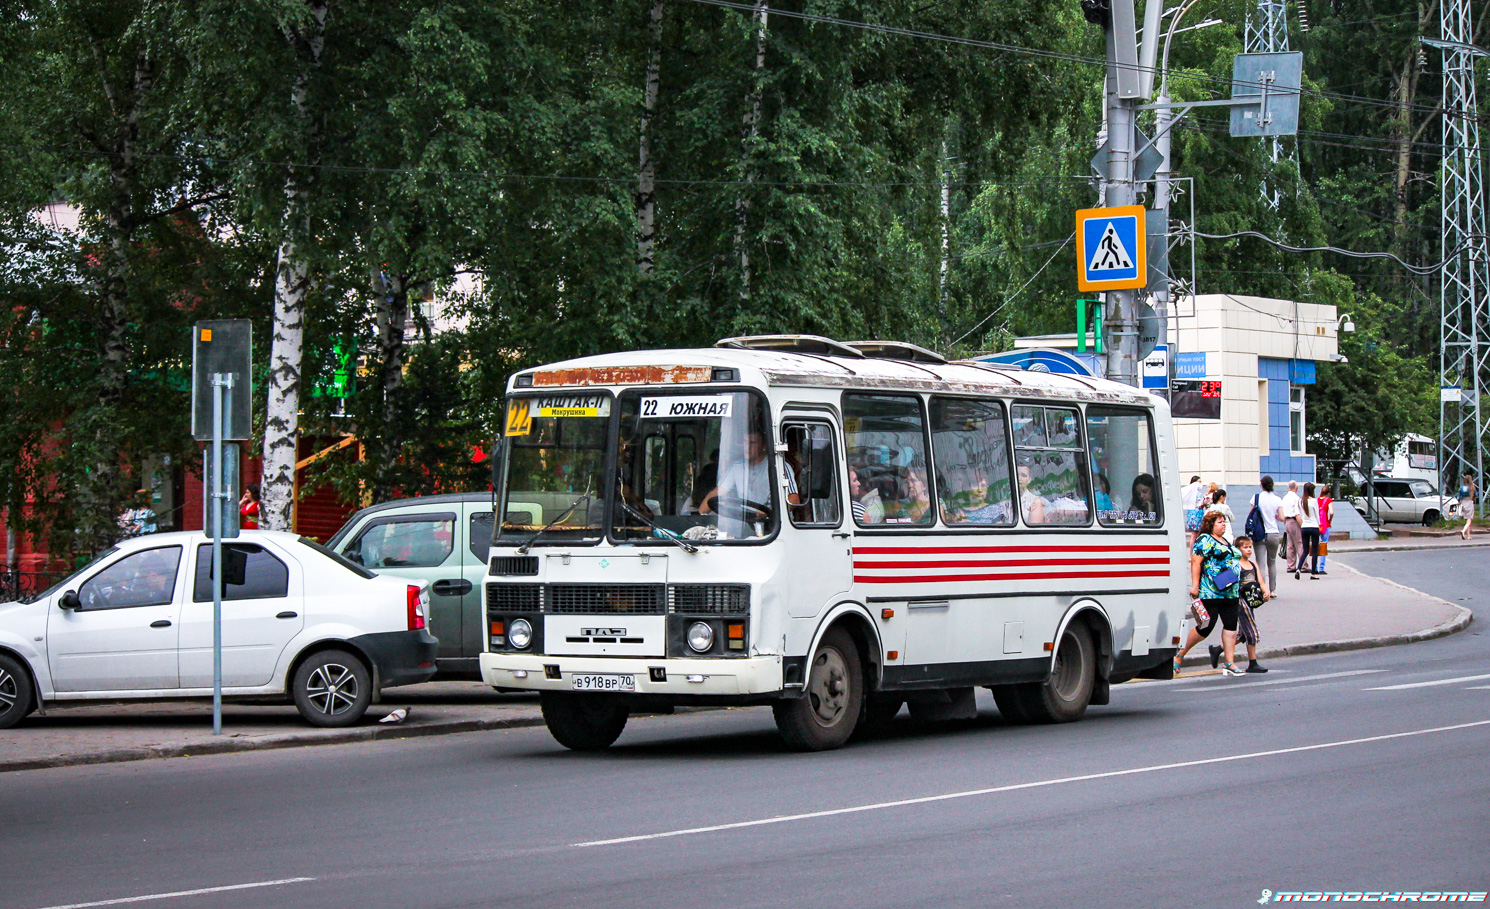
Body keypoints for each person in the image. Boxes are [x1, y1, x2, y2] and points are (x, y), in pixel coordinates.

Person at [1176, 510, 1244, 677]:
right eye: (1220, 522)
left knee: (1230, 627)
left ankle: (1229, 662)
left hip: (1230, 591)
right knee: (1204, 627)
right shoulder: (1204, 540)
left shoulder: (1225, 540)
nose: (1223, 524)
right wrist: (1195, 586)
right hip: (1211, 592)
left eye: (1224, 522)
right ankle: (1179, 655)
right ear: (1210, 525)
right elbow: (1196, 563)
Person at [700, 430, 798, 520]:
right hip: (746, 525)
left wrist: (771, 511)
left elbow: (793, 500)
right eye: (745, 443)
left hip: (776, 526)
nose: (747, 447)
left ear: (764, 446)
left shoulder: (779, 467)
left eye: (752, 443)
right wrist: (700, 516)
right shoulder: (736, 468)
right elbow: (717, 493)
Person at [1211, 535, 1270, 674]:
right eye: (1245, 547)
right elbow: (1223, 582)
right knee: (1252, 632)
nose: (1249, 550)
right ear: (1238, 549)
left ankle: (1218, 649)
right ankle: (1253, 662)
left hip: (1251, 601)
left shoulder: (1253, 565)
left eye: (1250, 547)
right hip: (1240, 602)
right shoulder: (1236, 565)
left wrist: (1265, 591)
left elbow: (1260, 581)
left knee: (1243, 635)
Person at [1252, 476, 1284, 594]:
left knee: (1260, 563)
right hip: (1273, 533)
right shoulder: (1277, 499)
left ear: (1262, 485)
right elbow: (1281, 517)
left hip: (1259, 533)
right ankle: (1273, 590)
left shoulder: (1256, 498)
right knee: (1272, 561)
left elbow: (1252, 515)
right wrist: (1276, 517)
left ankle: (1262, 589)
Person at [1297, 481, 1321, 579]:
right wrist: (1319, 526)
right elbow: (1317, 515)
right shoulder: (1314, 501)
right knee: (1315, 551)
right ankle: (1313, 573)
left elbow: (1301, 514)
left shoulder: (1301, 501)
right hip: (1314, 526)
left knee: (1305, 550)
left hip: (1304, 527)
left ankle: (1298, 568)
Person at [1280, 480, 1303, 574]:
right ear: (1296, 488)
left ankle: (1291, 565)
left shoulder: (1284, 498)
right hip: (1294, 521)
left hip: (1287, 521)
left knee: (1290, 545)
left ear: (1288, 488)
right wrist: (1302, 525)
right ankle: (1303, 565)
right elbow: (1298, 513)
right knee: (1299, 543)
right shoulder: (1297, 498)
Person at [1016, 461, 1046, 525]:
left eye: (1023, 475)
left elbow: (1034, 530)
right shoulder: (1004, 500)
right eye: (1016, 475)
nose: (1019, 478)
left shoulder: (1035, 501)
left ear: (1029, 479)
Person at [1181, 475, 1204, 545]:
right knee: (1194, 534)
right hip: (1195, 515)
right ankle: (1191, 553)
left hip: (1197, 514)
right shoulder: (1193, 492)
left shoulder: (1196, 492)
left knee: (1196, 534)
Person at [1317, 484, 1334, 575]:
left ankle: (1314, 567)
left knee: (1315, 545)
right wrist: (1329, 520)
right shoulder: (1329, 500)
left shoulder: (1316, 500)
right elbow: (1331, 512)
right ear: (1328, 493)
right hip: (1325, 524)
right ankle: (1321, 568)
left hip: (1316, 525)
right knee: (1324, 544)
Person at [1459, 471, 1477, 540]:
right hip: (1469, 502)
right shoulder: (1472, 488)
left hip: (1463, 502)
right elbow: (1476, 494)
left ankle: (1468, 535)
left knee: (1467, 519)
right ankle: (1463, 531)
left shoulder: (1461, 488)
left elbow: (1459, 496)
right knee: (1469, 520)